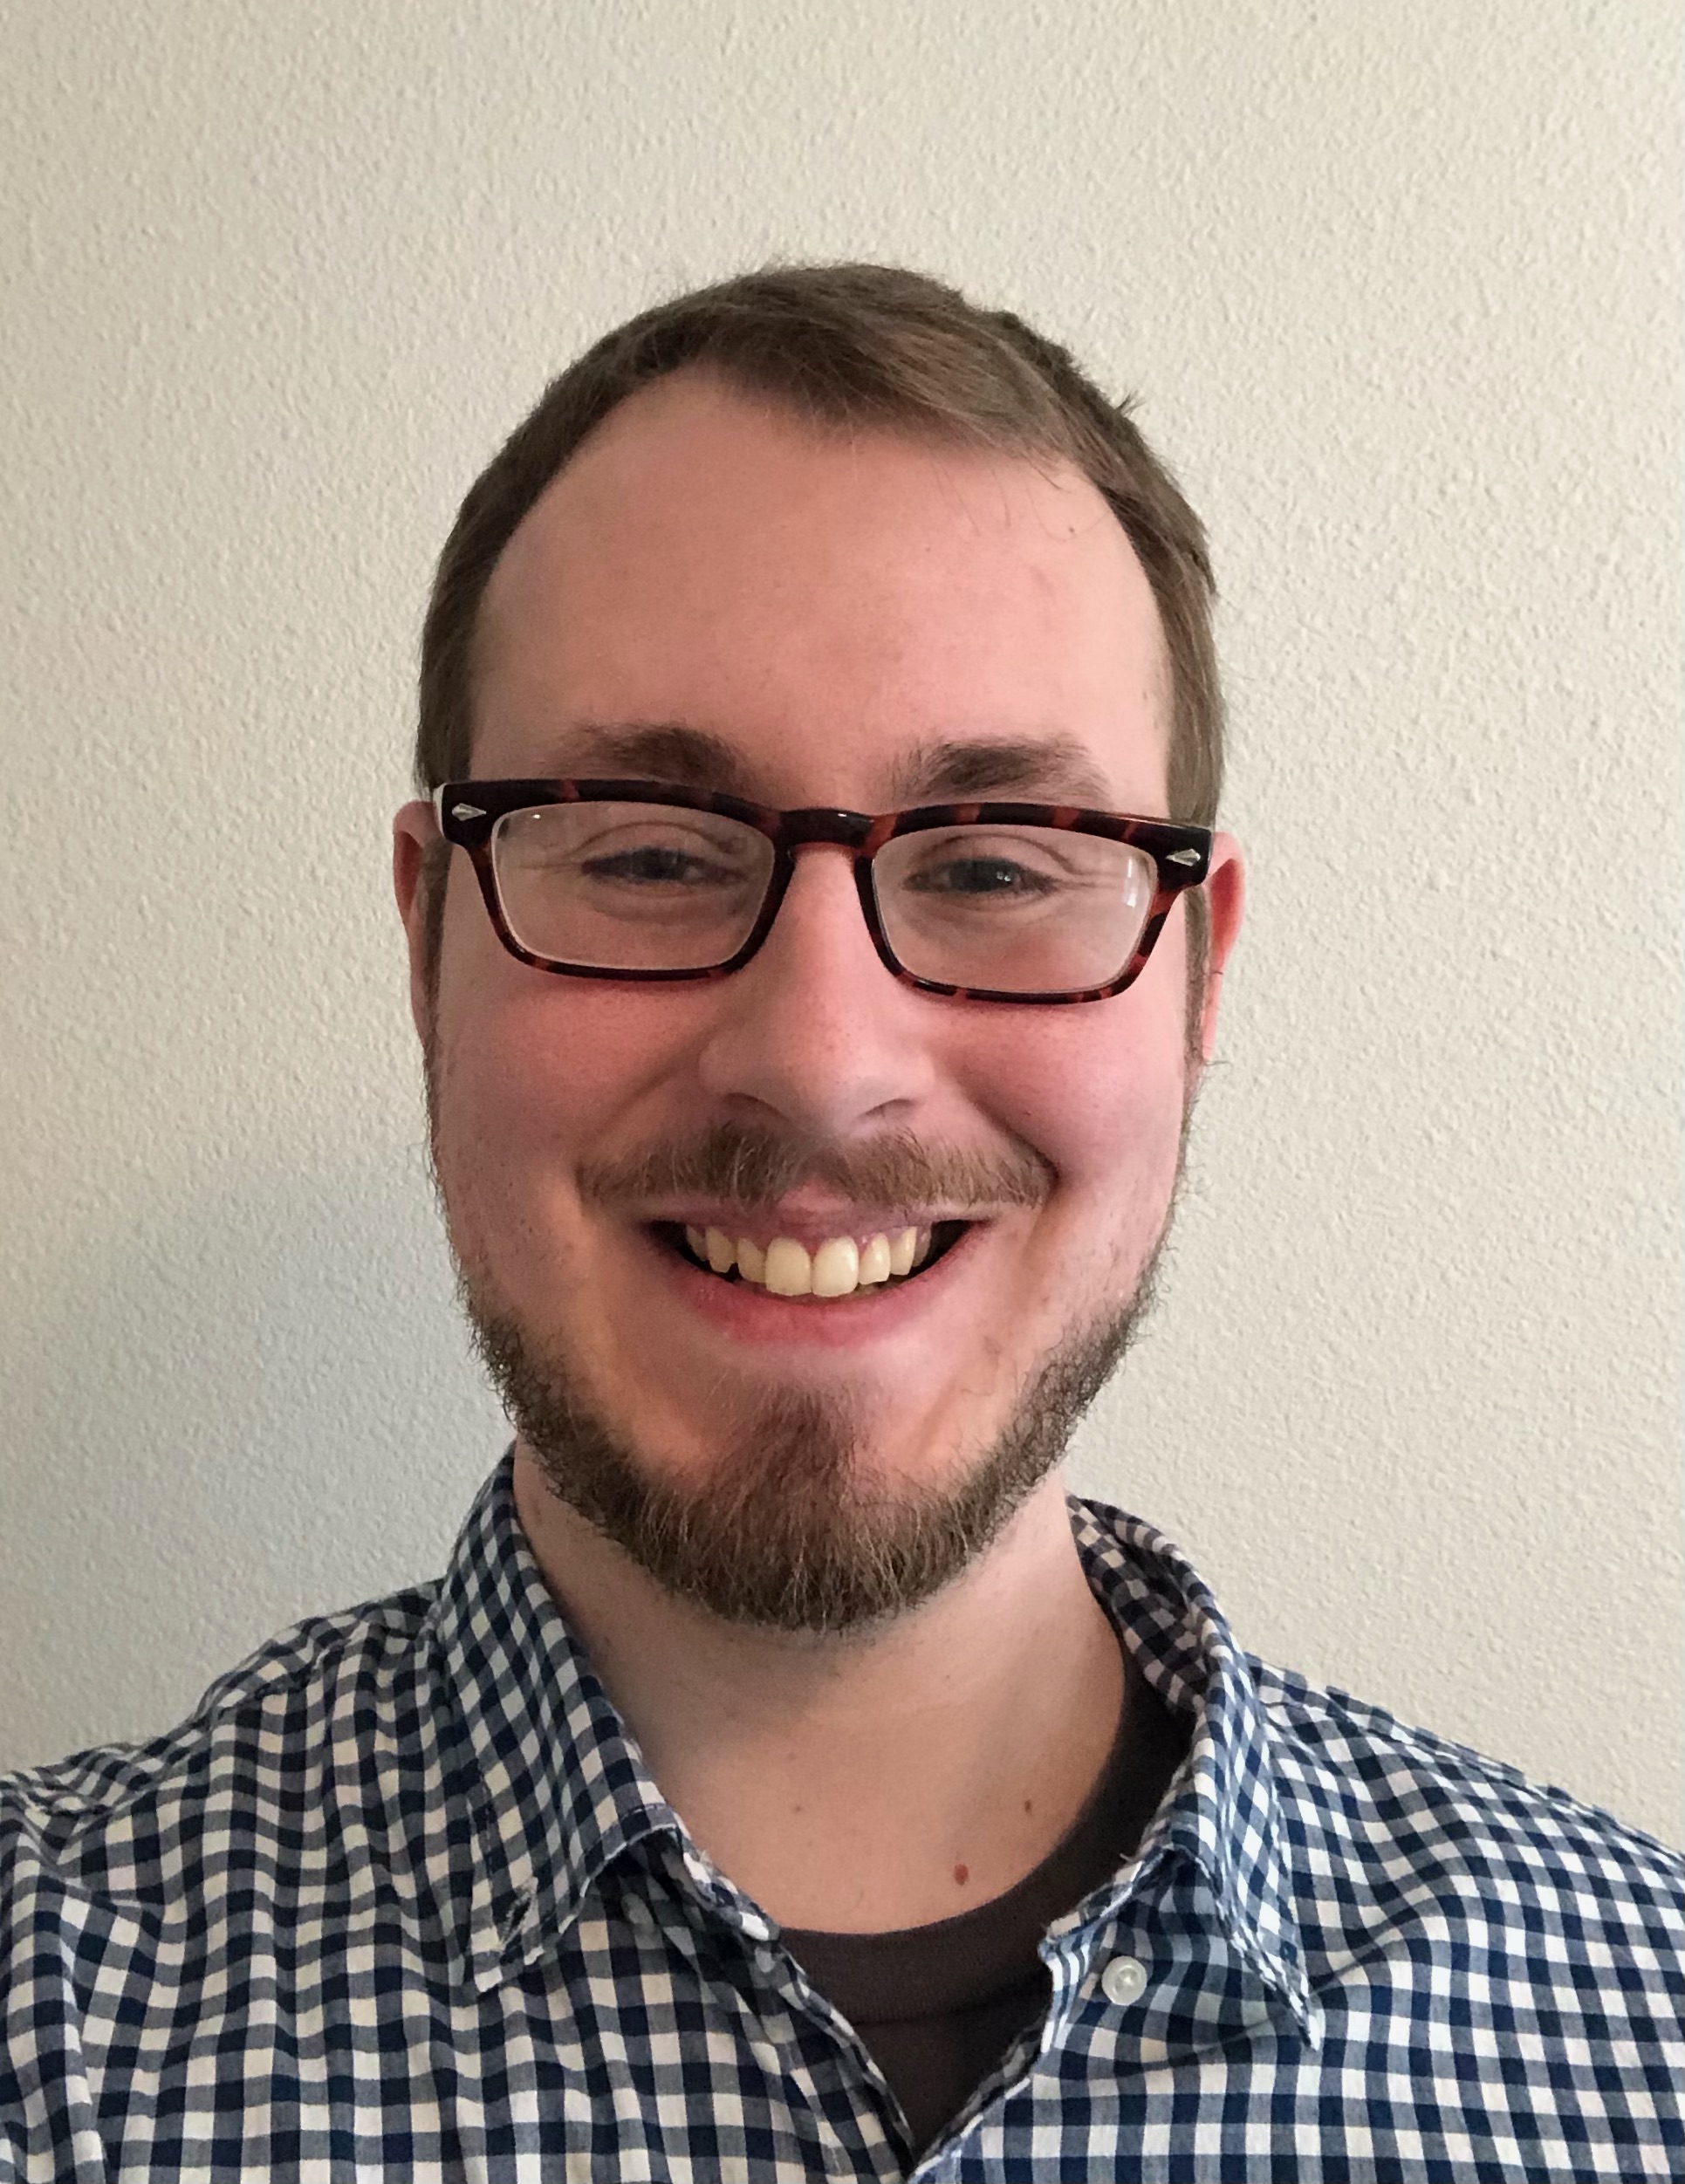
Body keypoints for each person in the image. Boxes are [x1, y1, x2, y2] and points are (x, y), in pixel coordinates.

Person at [2, 264, 1679, 2184]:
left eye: (989, 864)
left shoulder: (1643, 2032)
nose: (816, 1061)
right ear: (428, 940)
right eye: (642, 849)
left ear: (1198, 987)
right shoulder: (48, 2026)